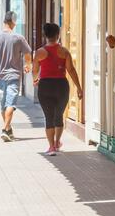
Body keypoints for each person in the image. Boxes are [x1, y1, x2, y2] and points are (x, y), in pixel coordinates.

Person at [32, 23, 83, 157]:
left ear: (45, 35)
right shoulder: (64, 52)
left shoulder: (39, 52)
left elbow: (35, 70)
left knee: (49, 117)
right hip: (61, 86)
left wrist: (35, 79)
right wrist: (79, 87)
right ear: (58, 35)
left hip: (45, 86)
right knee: (58, 115)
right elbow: (71, 70)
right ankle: (57, 142)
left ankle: (51, 147)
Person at [0, 11, 32, 143]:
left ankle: (8, 130)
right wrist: (28, 64)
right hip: (14, 76)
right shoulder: (19, 38)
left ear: (4, 21)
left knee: (4, 106)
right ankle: (5, 129)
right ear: (13, 22)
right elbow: (28, 54)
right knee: (10, 104)